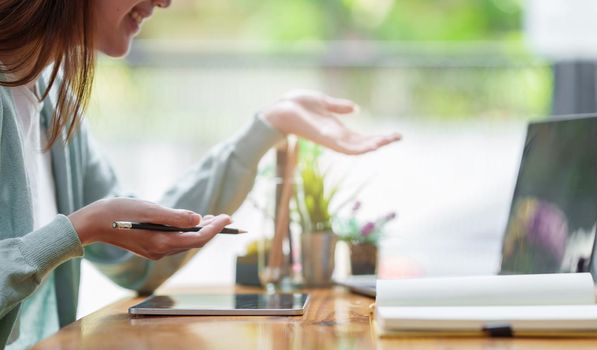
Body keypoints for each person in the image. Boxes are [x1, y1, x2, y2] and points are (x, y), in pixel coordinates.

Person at [0, 0, 401, 348]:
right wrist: (82, 227)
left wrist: (266, 127)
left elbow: (138, 257)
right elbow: (97, 229)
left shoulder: (54, 104)